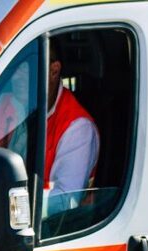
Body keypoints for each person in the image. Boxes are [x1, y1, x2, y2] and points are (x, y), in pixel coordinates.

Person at [45, 40, 99, 201]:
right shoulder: (16, 107)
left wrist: (11, 202)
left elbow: (64, 200)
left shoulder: (78, 128)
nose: (16, 76)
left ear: (54, 71)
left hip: (53, 218)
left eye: (27, 66)